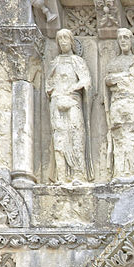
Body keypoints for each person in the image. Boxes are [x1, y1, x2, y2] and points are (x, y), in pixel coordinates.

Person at [46, 28, 92, 183]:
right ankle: (62, 175)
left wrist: (72, 88)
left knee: (75, 134)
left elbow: (86, 80)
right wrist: (55, 91)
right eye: (60, 39)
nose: (63, 41)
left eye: (66, 38)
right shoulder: (55, 62)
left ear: (72, 41)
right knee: (59, 137)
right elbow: (48, 84)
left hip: (73, 102)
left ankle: (79, 174)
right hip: (58, 102)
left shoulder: (77, 61)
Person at [104, 27, 134, 179]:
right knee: (118, 137)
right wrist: (124, 76)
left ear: (132, 41)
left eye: (126, 37)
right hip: (117, 103)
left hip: (133, 102)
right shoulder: (114, 62)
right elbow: (108, 80)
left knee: (133, 137)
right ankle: (120, 173)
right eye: (120, 38)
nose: (123, 40)